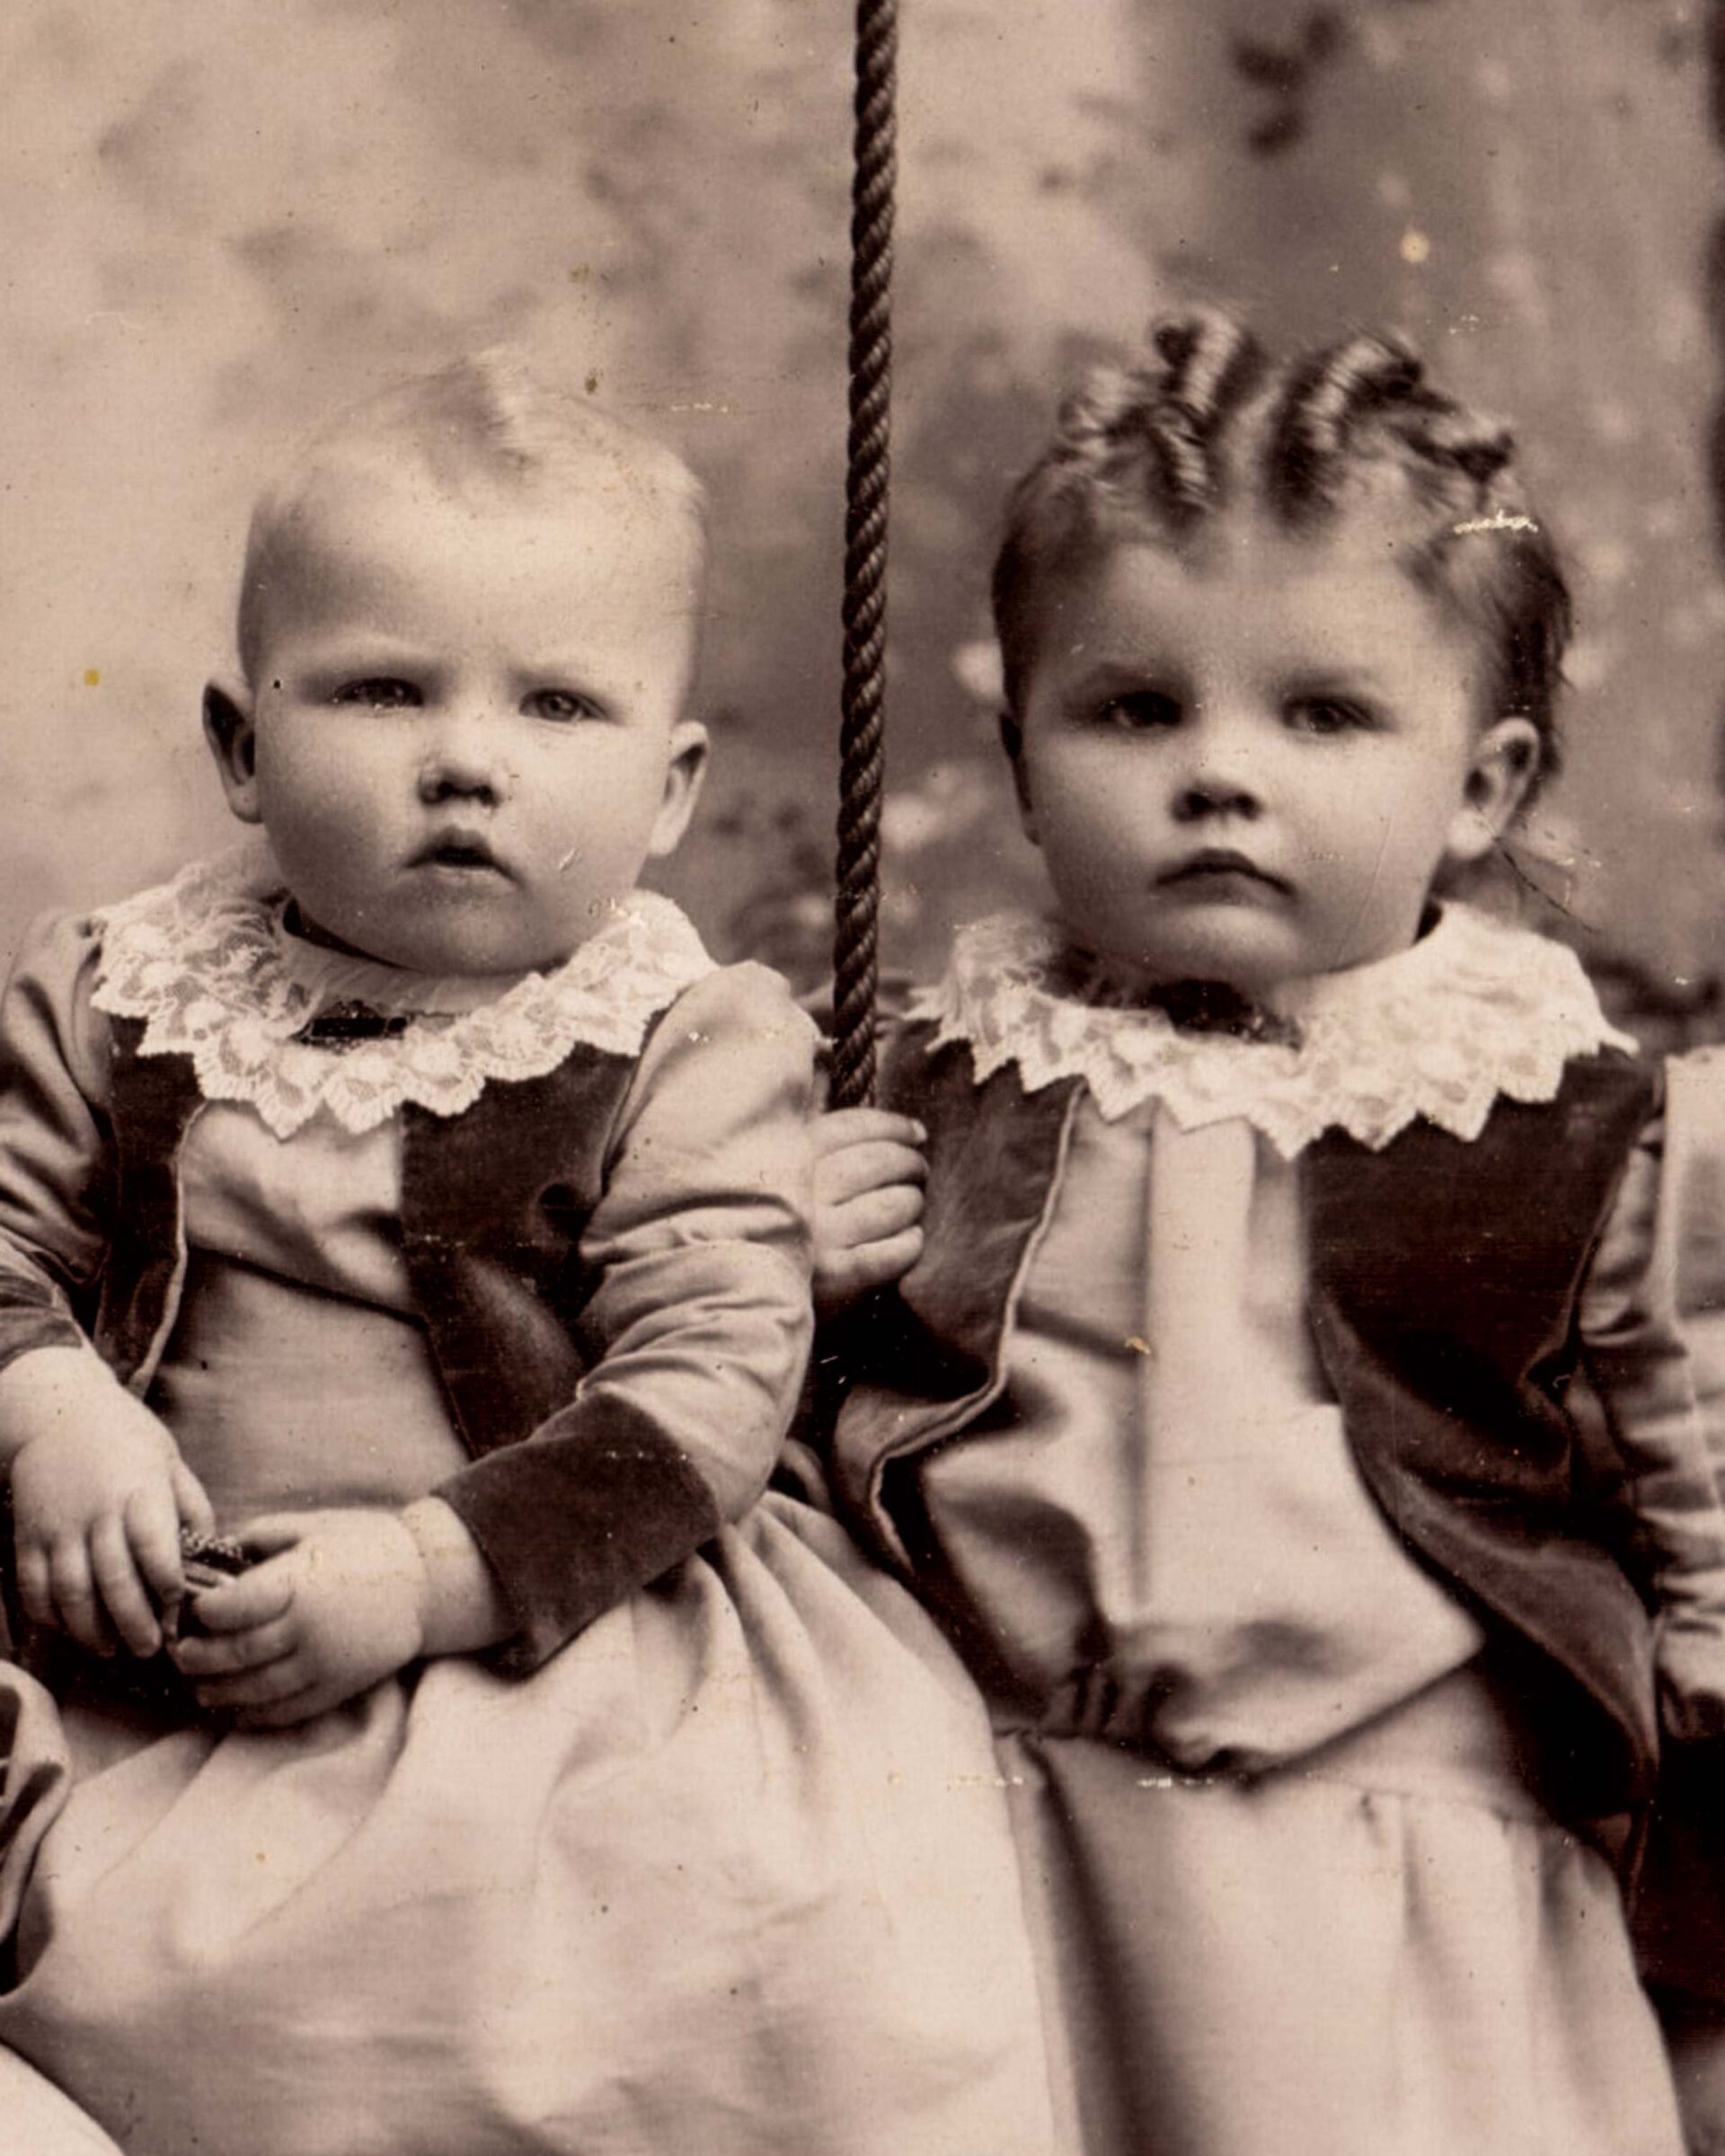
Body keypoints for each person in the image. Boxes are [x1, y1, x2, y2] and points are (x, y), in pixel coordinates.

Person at [0, 356, 1055, 2156]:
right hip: (159, 1639)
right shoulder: (113, 989)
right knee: (150, 1979)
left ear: (670, 786)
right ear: (242, 745)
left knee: (708, 1921)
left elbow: (705, 1391)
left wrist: (425, 1576)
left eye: (560, 705)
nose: (467, 758)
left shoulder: (680, 1039)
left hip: (540, 1622)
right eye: (382, 689)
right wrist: (47, 1405)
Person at [811, 310, 1725, 2155]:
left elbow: (1690, 1459)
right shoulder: (938, 1067)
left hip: (1389, 1842)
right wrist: (792, 1256)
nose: (1221, 772)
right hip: (1004, 1835)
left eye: (1323, 714)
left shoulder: (1565, 1113)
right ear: (1021, 753)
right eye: (1138, 708)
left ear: (1482, 785)